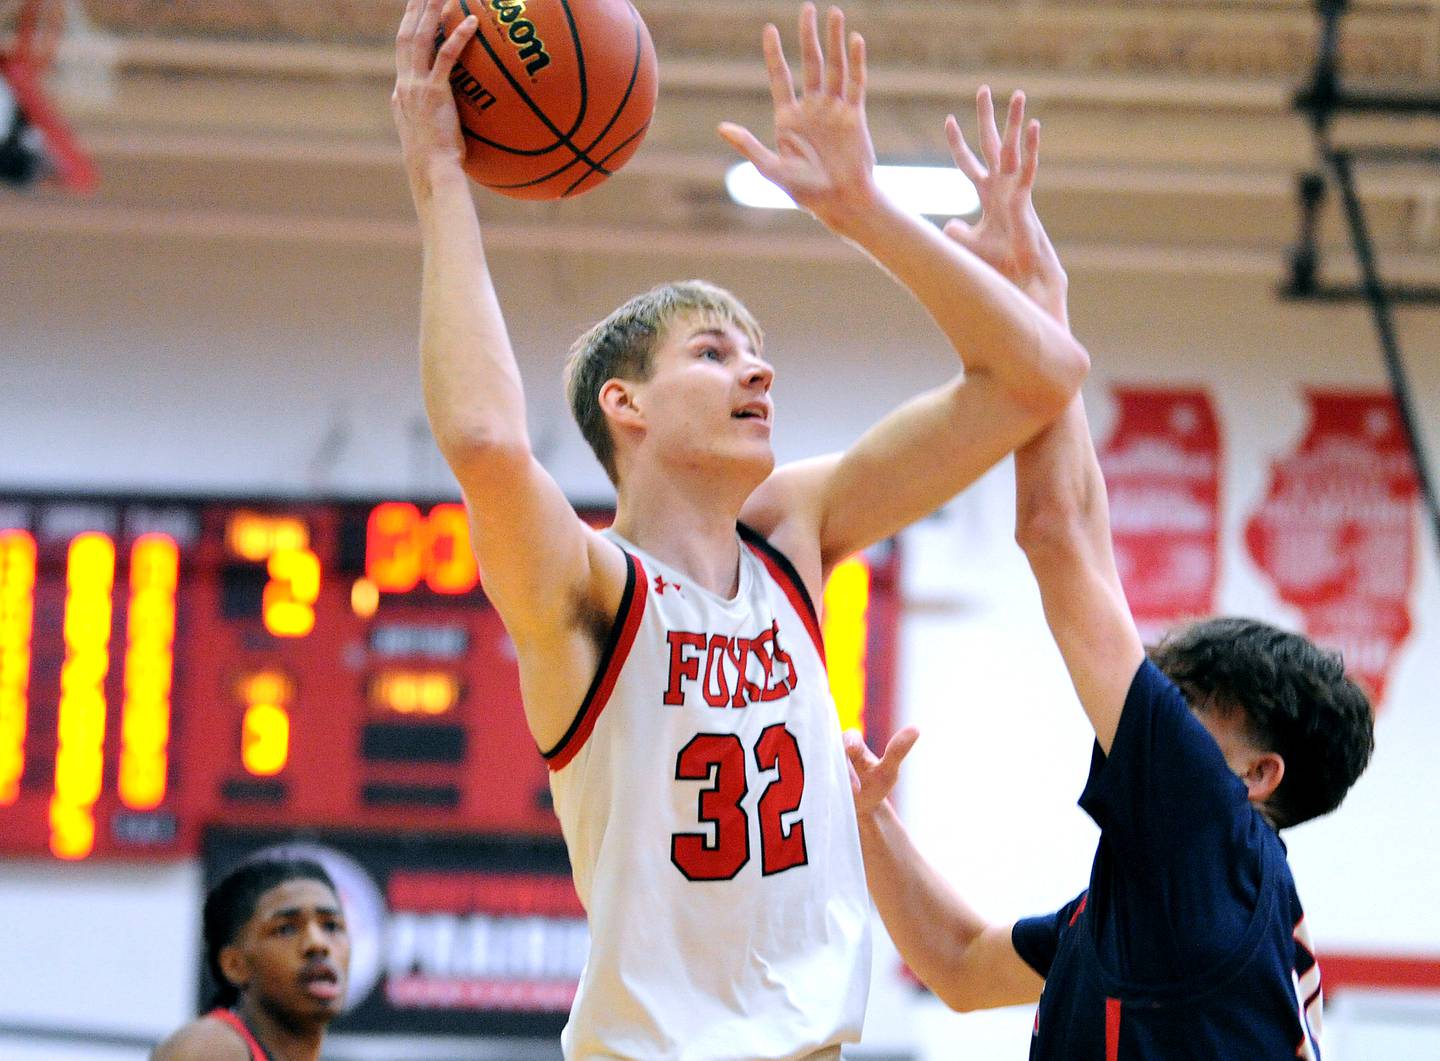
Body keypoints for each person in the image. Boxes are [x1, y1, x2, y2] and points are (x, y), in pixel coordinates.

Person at [390, 0, 1089, 1055]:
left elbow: (1035, 378)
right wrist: (440, 174)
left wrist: (862, 209)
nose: (757, 369)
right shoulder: (590, 591)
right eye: (713, 353)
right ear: (624, 405)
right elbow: (487, 440)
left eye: (756, 352)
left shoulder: (792, 539)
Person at [845, 86, 1376, 1059]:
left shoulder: (1208, 843)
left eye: (1190, 709)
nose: (1148, 714)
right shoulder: (1167, 893)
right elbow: (959, 963)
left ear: (1255, 776)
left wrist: (1039, 324)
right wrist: (869, 821)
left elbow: (1059, 534)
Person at [151, 856, 349, 1061]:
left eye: (331, 926)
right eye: (286, 929)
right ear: (234, 966)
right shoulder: (211, 1046)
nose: (318, 944)